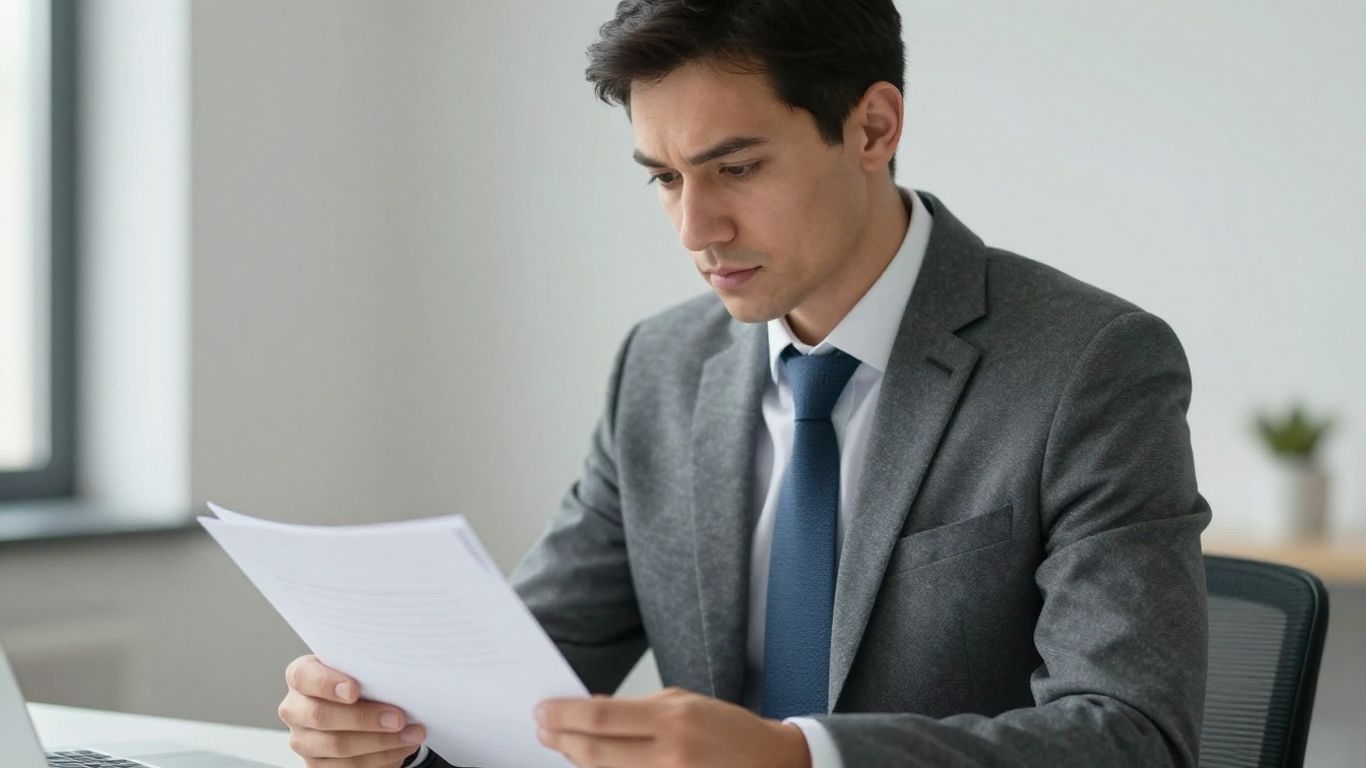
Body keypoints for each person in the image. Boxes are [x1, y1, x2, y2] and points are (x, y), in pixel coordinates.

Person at [277, 1, 1212, 766]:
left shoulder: (1092, 364)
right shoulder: (660, 368)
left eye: (736, 168)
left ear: (873, 127)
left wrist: (801, 759)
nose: (695, 228)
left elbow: (1131, 735)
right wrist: (389, 724)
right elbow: (523, 674)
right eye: (663, 178)